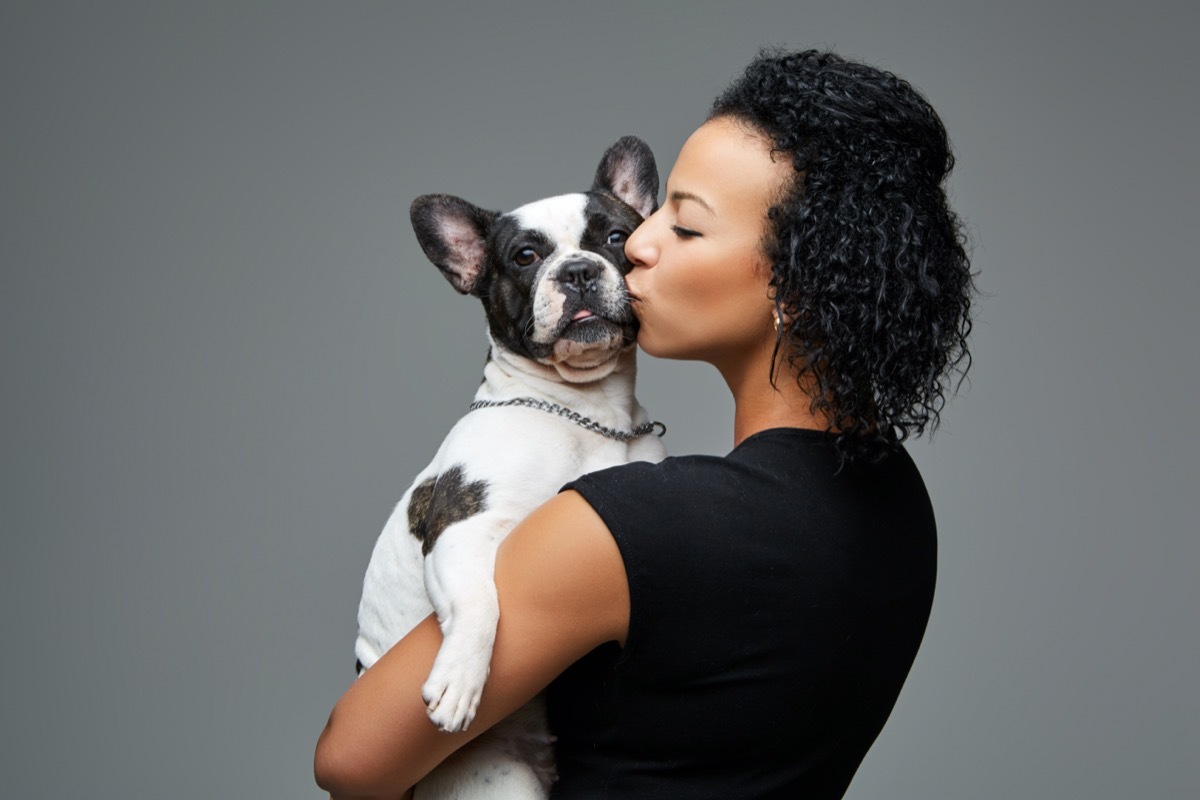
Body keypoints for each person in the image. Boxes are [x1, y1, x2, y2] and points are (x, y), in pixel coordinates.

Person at [315, 48, 973, 799]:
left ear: (798, 282)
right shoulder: (898, 500)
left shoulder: (627, 524)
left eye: (684, 227)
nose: (638, 243)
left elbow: (349, 758)